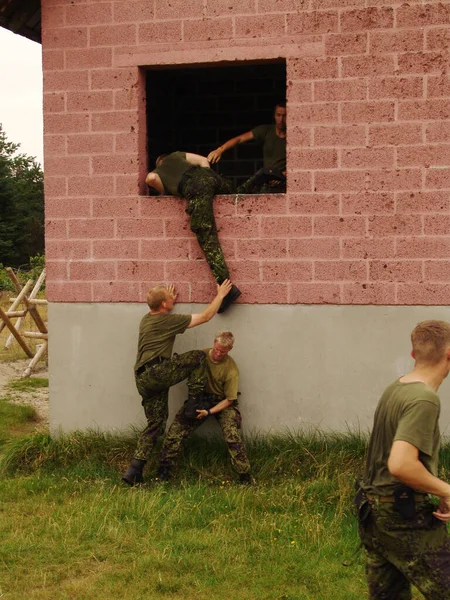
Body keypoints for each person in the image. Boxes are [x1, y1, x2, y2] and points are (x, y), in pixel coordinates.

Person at [356, 320, 450, 599]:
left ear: (413, 354)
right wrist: (446, 490)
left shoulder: (396, 388)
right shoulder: (424, 399)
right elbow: (400, 464)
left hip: (373, 512)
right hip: (402, 517)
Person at [122, 279, 233, 486]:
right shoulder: (167, 322)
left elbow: (163, 316)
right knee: (199, 357)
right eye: (168, 296)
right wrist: (221, 295)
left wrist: (167, 302)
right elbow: (206, 316)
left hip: (143, 379)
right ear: (163, 304)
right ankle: (194, 402)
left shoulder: (147, 319)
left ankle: (134, 471)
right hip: (157, 373)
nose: (171, 296)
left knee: (155, 424)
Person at [146, 152, 241, 313]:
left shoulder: (159, 171)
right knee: (235, 190)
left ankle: (226, 288)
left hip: (194, 187)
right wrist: (208, 183)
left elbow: (151, 179)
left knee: (206, 235)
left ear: (158, 163)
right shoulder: (177, 155)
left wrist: (158, 181)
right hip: (208, 175)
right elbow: (204, 161)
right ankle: (261, 179)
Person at [156, 331, 251, 484]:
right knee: (176, 431)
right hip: (200, 398)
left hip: (222, 402)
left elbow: (230, 399)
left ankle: (244, 475)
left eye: (223, 351)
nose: (218, 354)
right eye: (217, 349)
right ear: (214, 342)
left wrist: (208, 412)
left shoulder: (231, 369)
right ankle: (164, 471)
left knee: (231, 434)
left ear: (230, 349)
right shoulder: (200, 356)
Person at [208, 101, 287, 194]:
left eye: (284, 115)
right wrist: (220, 150)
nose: (281, 119)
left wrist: (282, 175)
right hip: (267, 178)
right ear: (274, 115)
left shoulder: (296, 137)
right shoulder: (266, 130)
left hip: (285, 181)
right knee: (257, 179)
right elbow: (239, 139)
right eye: (278, 115)